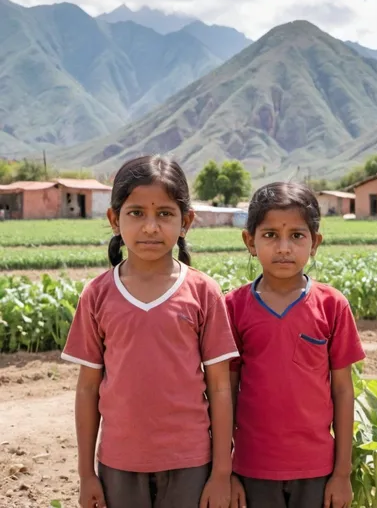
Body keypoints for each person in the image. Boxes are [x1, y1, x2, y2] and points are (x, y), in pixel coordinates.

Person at [61, 155, 239, 508]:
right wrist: (86, 474)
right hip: (118, 462)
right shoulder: (97, 294)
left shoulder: (203, 292)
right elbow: (87, 388)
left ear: (186, 221)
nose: (151, 227)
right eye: (136, 213)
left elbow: (220, 386)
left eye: (165, 214)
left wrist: (221, 472)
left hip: (190, 461)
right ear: (114, 219)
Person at [227, 182, 366, 508]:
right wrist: (226, 469)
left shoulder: (332, 305)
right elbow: (225, 392)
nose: (284, 247)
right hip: (252, 467)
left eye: (297, 236)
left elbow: (343, 391)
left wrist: (342, 473)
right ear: (250, 241)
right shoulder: (233, 307)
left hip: (317, 468)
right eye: (270, 235)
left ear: (315, 243)